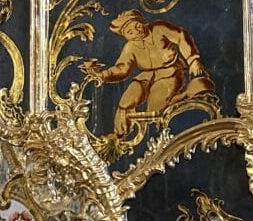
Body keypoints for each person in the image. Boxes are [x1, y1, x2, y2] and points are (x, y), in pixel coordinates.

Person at [81, 9, 215, 137]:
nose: (136, 32)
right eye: (130, 32)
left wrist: (193, 60)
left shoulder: (159, 28)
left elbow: (181, 36)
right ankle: (121, 135)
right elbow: (122, 68)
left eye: (137, 26)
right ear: (125, 35)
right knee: (126, 101)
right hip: (146, 76)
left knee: (155, 106)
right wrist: (102, 75)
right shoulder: (130, 47)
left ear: (142, 22)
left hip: (170, 72)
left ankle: (188, 94)